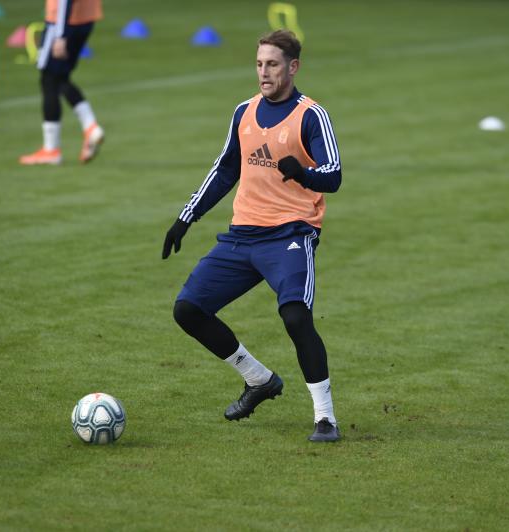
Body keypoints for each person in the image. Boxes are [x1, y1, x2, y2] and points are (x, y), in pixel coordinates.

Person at [161, 30, 343, 442]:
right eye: (260, 63)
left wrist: (304, 173)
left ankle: (325, 418)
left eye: (273, 64)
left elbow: (333, 175)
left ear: (293, 68)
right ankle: (258, 379)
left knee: (295, 316)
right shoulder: (244, 112)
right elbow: (226, 169)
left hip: (290, 235)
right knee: (188, 310)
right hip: (242, 236)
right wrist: (185, 219)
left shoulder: (311, 115)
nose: (264, 72)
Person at [20, 0, 104, 165]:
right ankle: (91, 127)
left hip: (61, 23)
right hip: (86, 18)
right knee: (60, 78)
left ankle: (51, 150)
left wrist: (60, 35)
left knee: (49, 80)